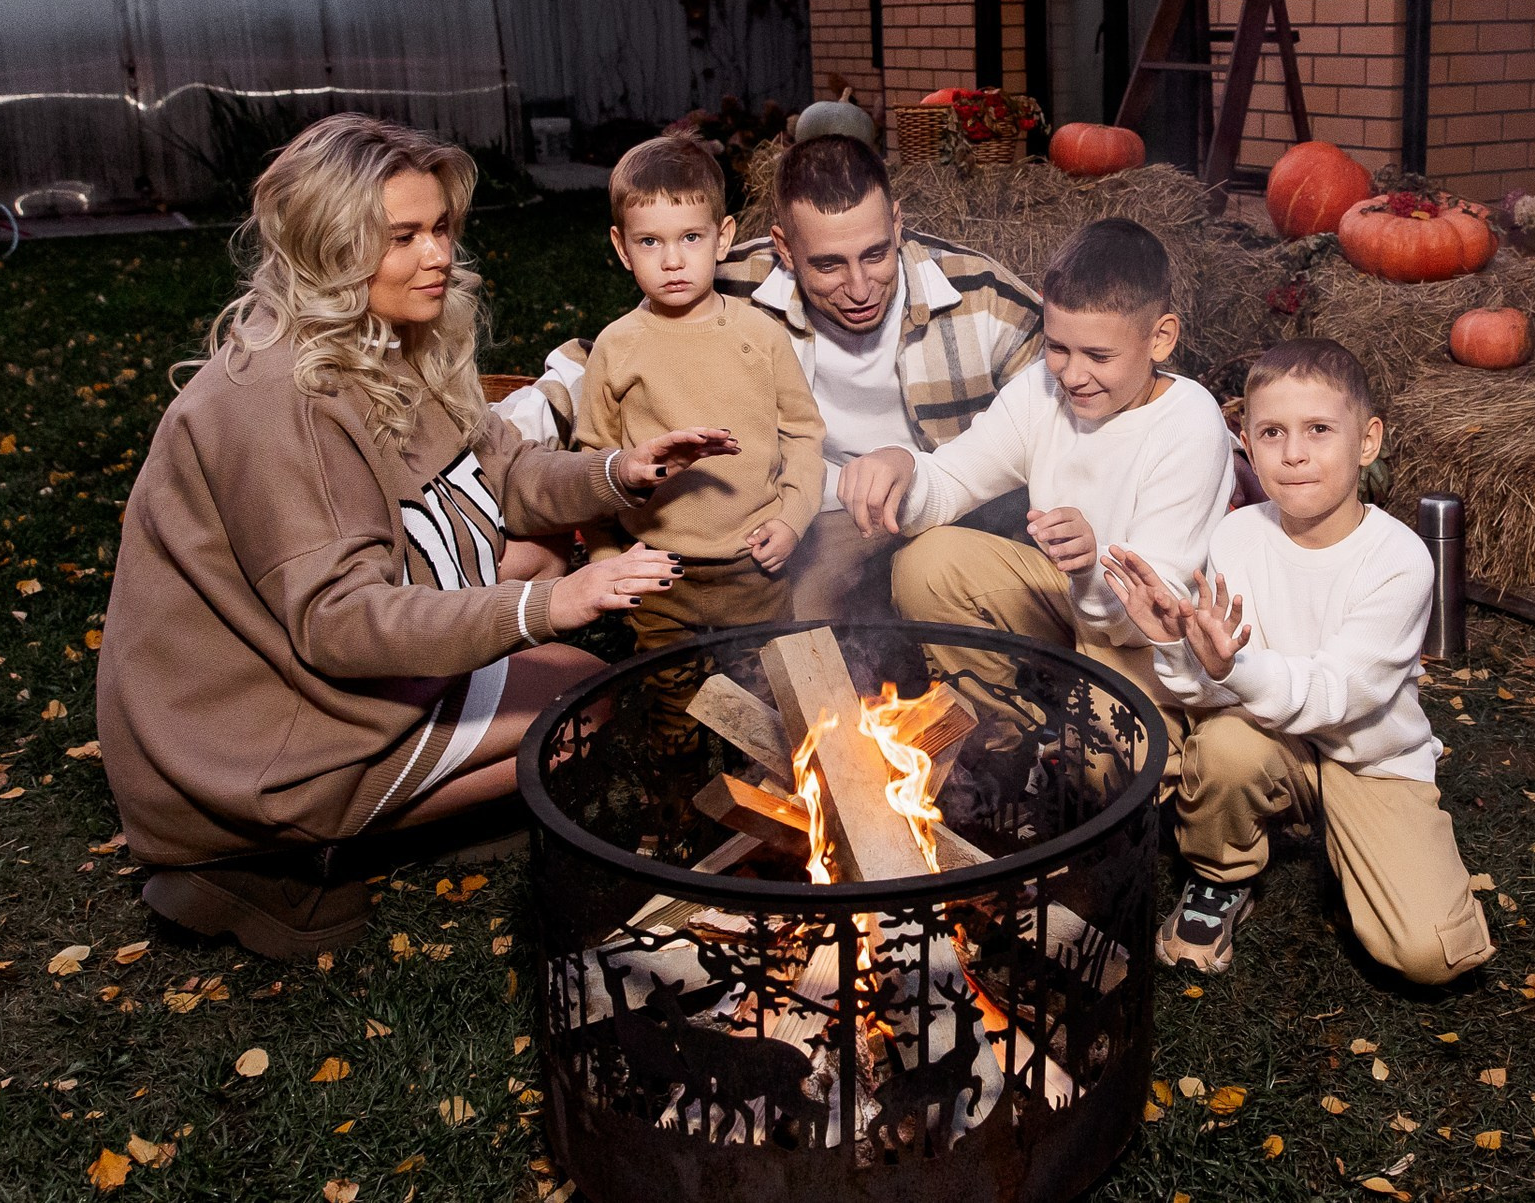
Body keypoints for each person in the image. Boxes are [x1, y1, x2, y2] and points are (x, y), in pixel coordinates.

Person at [98, 114, 737, 960]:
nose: (437, 254)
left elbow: (507, 476)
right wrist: (545, 605)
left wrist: (619, 470)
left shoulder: (389, 336)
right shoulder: (270, 401)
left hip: (325, 667)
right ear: (330, 245)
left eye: (439, 228)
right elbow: (337, 622)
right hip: (256, 727)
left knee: (550, 598)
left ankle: (384, 812)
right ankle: (274, 851)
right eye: (402, 236)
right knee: (578, 697)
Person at [495, 133, 1044, 620]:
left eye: (876, 254)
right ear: (783, 247)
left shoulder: (987, 301)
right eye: (828, 264)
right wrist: (496, 450)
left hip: (947, 506)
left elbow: (1064, 407)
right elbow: (602, 363)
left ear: (897, 223)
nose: (859, 287)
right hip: (817, 514)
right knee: (791, 628)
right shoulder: (728, 282)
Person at [1103, 339, 1497, 985]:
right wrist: (1173, 642)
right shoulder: (1236, 534)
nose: (1293, 452)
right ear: (1247, 443)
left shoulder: (1400, 559)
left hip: (1369, 759)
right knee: (1227, 748)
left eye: (1318, 429)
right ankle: (1219, 872)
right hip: (1268, 740)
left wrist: (1233, 669)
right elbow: (1216, 694)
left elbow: (1334, 692)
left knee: (1429, 954)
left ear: (1367, 440)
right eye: (1271, 432)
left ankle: (1362, 846)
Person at [836, 217, 1236, 716]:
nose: (1072, 375)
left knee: (1101, 764)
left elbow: (1148, 617)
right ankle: (1000, 742)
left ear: (1160, 339)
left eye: (1098, 355)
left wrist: (1093, 563)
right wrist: (902, 470)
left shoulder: (1190, 423)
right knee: (927, 563)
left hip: (1151, 643)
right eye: (1057, 347)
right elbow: (953, 480)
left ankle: (1099, 739)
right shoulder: (1039, 391)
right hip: (1069, 601)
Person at [573, 135, 825, 743]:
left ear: (725, 235)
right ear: (621, 248)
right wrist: (612, 561)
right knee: (674, 709)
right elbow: (592, 461)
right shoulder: (617, 347)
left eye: (690, 238)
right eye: (650, 242)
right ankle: (677, 821)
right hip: (662, 574)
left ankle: (771, 822)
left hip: (753, 568)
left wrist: (792, 518)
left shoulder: (760, 337)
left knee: (765, 713)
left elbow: (805, 435)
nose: (673, 260)